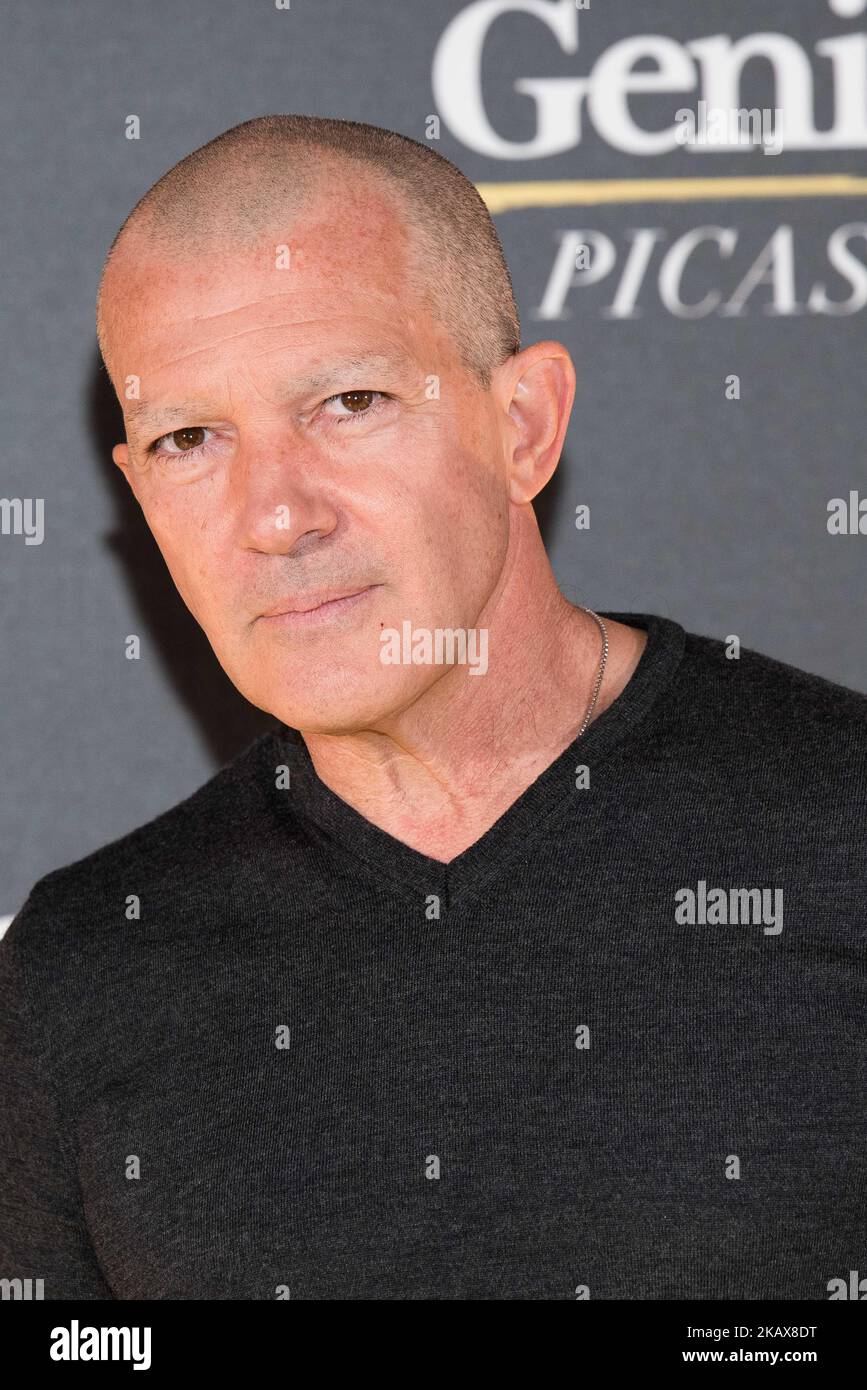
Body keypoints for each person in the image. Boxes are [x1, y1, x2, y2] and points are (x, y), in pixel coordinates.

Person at [0, 115, 863, 1301]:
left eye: (349, 402)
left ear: (524, 426)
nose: (276, 514)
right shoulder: (82, 965)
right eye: (192, 437)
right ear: (139, 492)